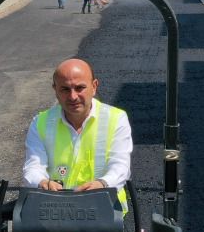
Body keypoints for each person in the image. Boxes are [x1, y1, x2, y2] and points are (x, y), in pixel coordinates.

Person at [23, 58, 133, 196]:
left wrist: (102, 184)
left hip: (103, 204)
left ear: (94, 86)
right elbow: (33, 166)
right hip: (55, 204)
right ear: (55, 90)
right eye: (65, 89)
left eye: (80, 88)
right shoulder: (40, 122)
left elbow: (120, 166)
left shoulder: (116, 119)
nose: (73, 96)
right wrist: (43, 182)